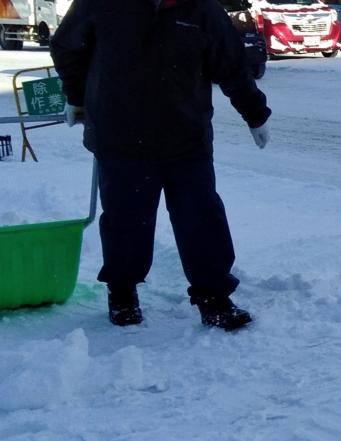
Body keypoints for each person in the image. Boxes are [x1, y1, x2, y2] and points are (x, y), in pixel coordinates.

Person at [50, 0, 271, 330]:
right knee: (125, 219)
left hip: (186, 137)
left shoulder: (201, 9)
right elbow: (67, 46)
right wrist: (76, 96)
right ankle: (122, 292)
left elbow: (231, 64)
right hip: (119, 136)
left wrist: (254, 113)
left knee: (201, 218)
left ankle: (213, 296)